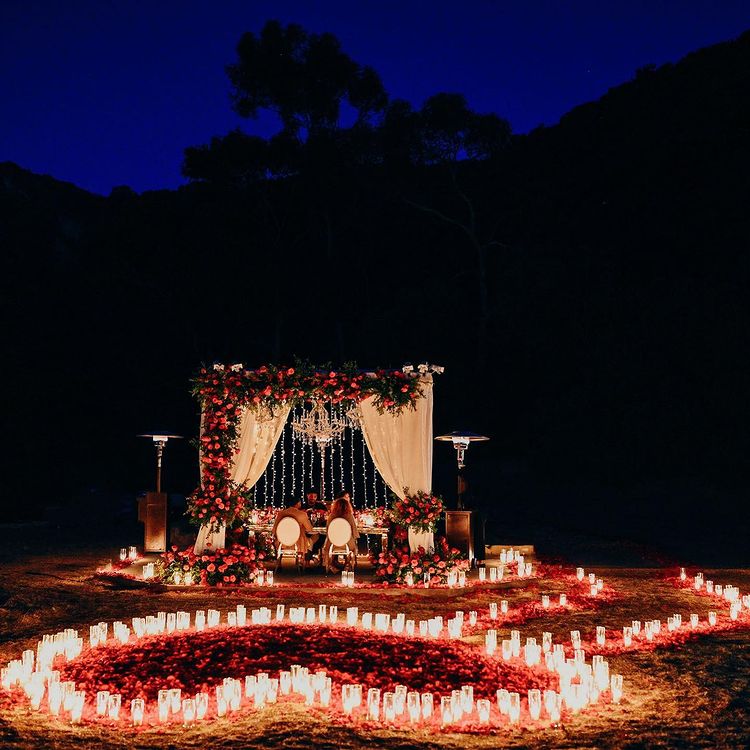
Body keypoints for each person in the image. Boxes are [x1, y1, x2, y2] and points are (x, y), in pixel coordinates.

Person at [322, 491, 359, 572]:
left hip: (332, 543)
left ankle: (331, 563)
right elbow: (354, 530)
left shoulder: (331, 516)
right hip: (347, 544)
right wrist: (354, 537)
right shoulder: (349, 516)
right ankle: (347, 563)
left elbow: (328, 530)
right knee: (352, 543)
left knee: (326, 544)